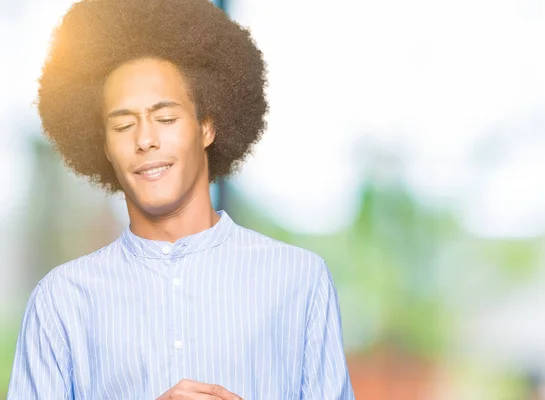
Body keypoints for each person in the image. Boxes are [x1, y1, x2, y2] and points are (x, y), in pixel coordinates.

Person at [7, 0, 355, 399]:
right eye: (123, 125)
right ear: (104, 146)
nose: (145, 139)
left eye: (166, 118)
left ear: (206, 126)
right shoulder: (62, 301)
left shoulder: (299, 281)